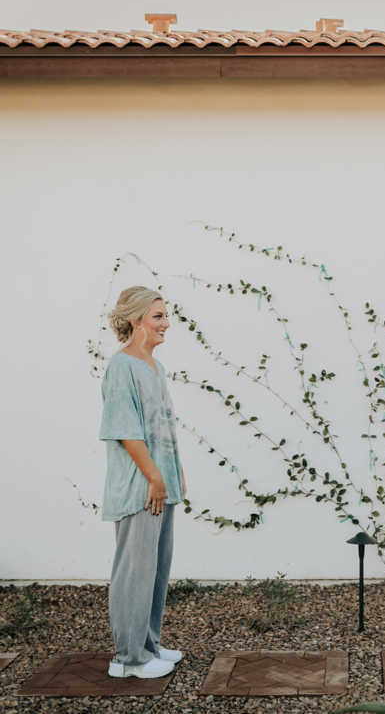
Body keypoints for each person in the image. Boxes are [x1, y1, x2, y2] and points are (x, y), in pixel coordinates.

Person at [100, 286, 187, 679]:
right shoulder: (122, 367)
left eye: (165, 315)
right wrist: (153, 476)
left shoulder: (155, 366)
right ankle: (128, 659)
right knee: (135, 569)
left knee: (155, 566)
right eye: (158, 316)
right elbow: (125, 431)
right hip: (140, 486)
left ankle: (148, 645)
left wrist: (172, 473)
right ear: (136, 321)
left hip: (160, 482)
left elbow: (163, 428)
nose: (166, 323)